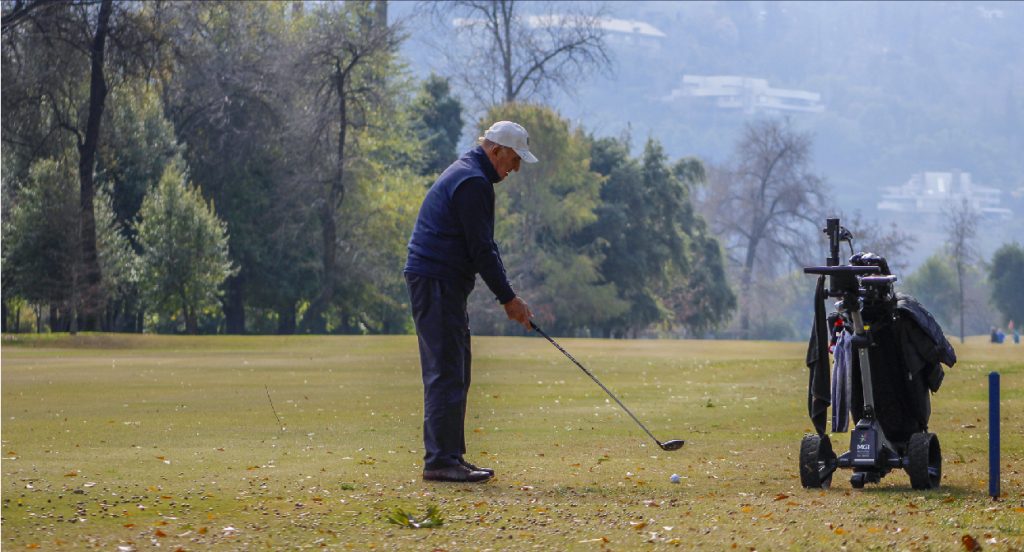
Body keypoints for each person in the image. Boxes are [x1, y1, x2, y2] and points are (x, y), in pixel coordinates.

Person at [404, 121, 537, 483]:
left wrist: (508, 296)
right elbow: (482, 251)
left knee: (456, 369)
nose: (515, 169)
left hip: (441, 281)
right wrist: (509, 299)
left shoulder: (472, 174)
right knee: (446, 371)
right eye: (513, 160)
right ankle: (440, 462)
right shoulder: (473, 183)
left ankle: (450, 457)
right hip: (436, 280)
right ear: (495, 150)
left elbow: (483, 248)